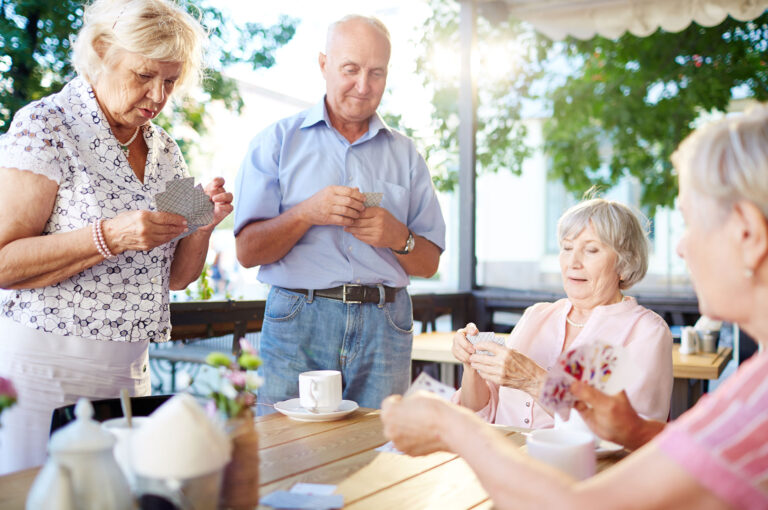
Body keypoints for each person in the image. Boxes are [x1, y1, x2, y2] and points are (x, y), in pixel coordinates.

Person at [381, 104, 768, 510]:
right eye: (567, 249)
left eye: (691, 221)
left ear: (747, 233)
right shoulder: (750, 386)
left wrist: (450, 424)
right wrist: (634, 428)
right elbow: (675, 443)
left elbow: (582, 503)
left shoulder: (658, 339)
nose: (681, 246)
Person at [0, 0, 233, 474]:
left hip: (129, 373)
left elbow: (177, 278)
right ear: (103, 51)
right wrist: (110, 235)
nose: (157, 95)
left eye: (170, 81)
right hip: (42, 370)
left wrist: (203, 224)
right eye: (145, 75)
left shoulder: (165, 148)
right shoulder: (45, 125)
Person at [234, 15, 445, 410]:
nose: (363, 86)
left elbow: (429, 263)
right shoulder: (275, 143)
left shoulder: (407, 155)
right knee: (286, 452)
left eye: (376, 73)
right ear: (323, 64)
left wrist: (398, 237)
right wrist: (306, 213)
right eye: (350, 69)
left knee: (379, 453)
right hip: (299, 317)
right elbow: (247, 252)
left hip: (386, 323)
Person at [451, 199, 672, 428]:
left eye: (591, 250)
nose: (573, 262)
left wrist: (533, 380)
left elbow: (629, 434)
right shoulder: (536, 315)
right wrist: (473, 365)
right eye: (567, 248)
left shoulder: (646, 332)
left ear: (625, 264)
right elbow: (481, 414)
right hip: (503, 459)